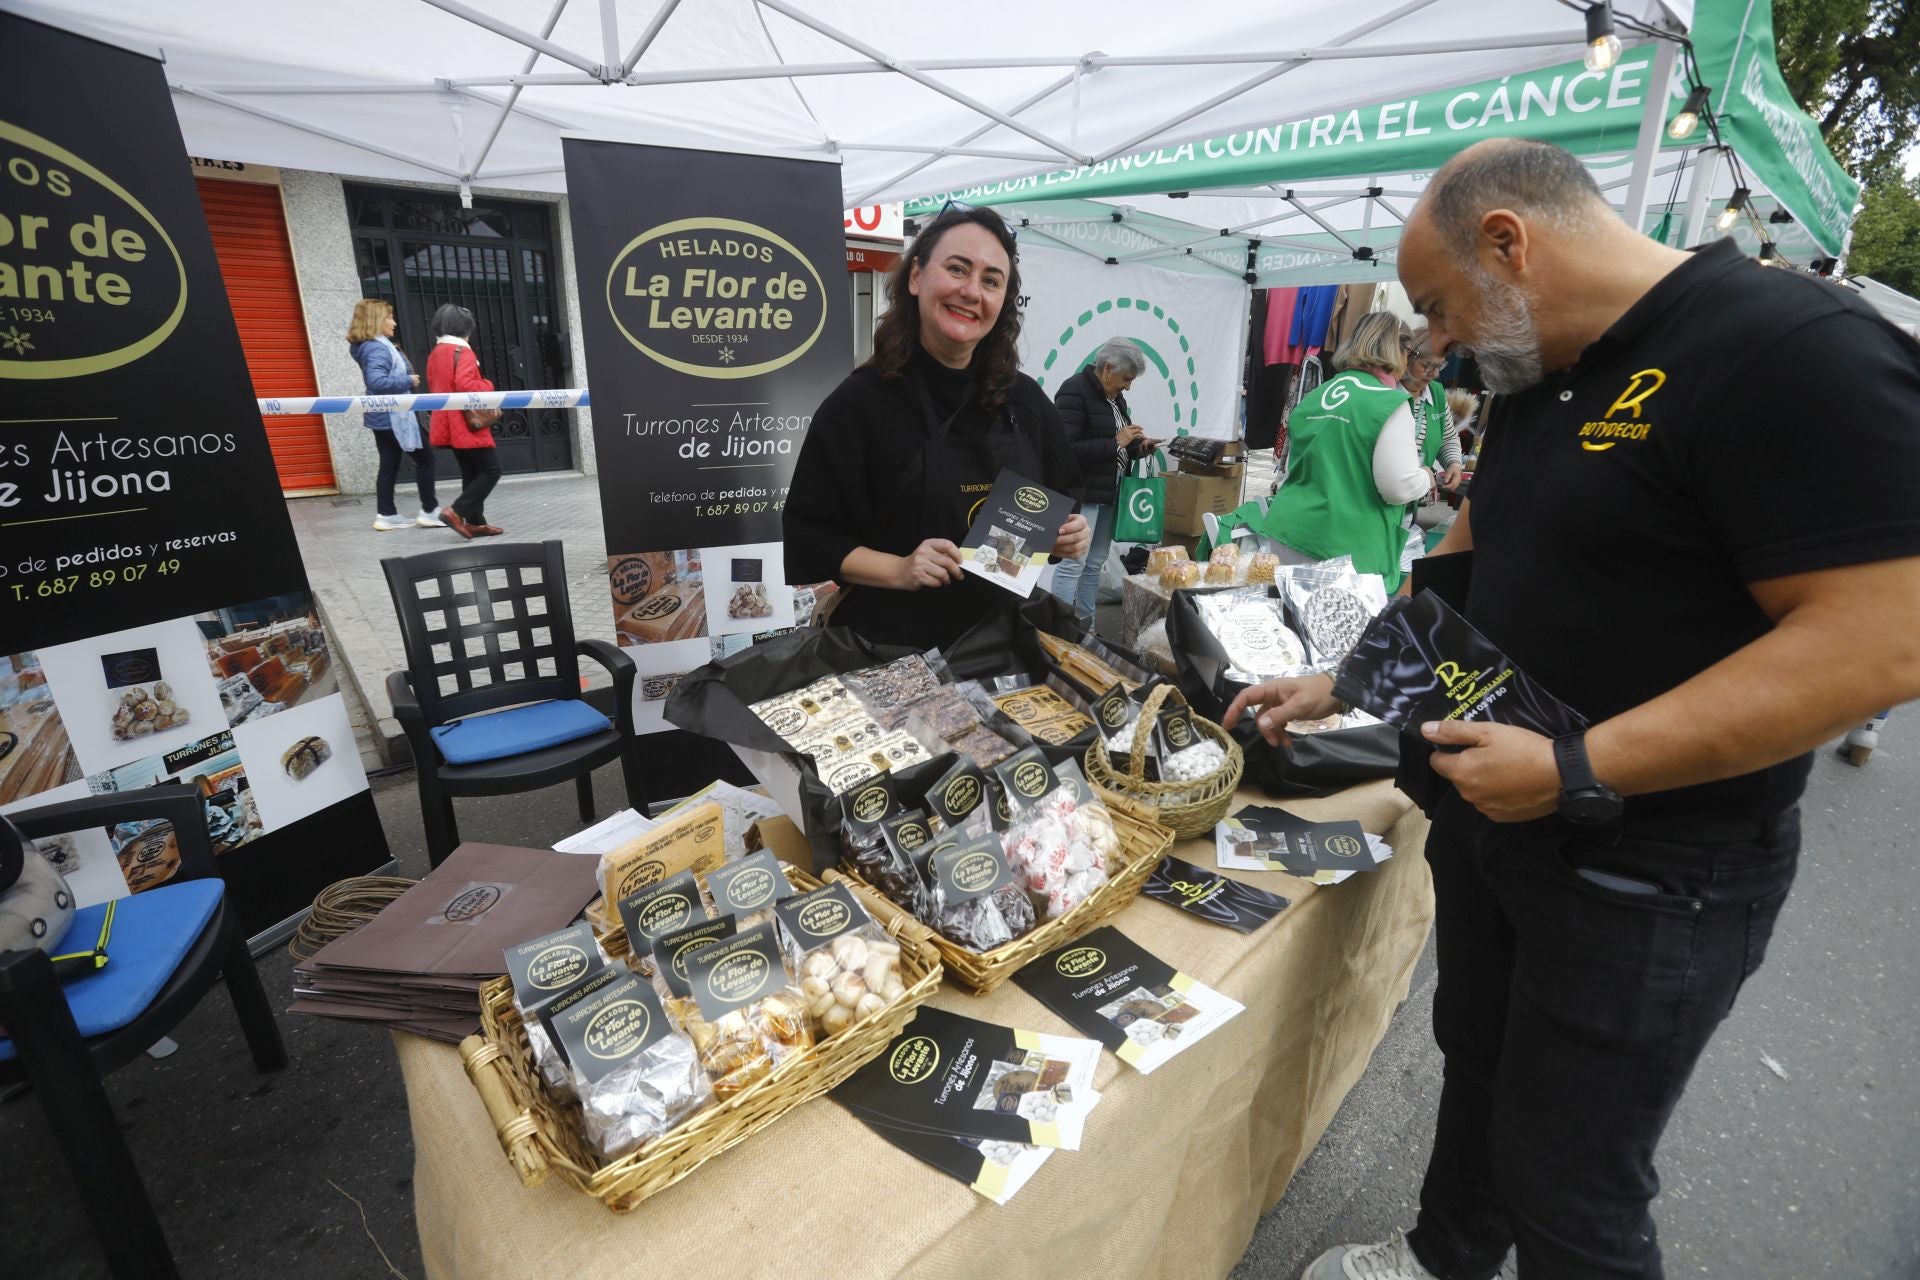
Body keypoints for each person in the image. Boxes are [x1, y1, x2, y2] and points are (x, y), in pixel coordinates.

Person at [1222, 138, 1920, 1280]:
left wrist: (1580, 764)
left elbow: (1888, 633)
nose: (1434, 343)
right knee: (1480, 1070)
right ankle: (1443, 1257)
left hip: (1650, 875)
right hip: (1504, 832)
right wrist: (1345, 677)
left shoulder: (1787, 348)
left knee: (1573, 1182)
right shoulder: (1543, 371)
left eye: (1439, 308)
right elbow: (1471, 548)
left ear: (1510, 242)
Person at [784, 205, 1087, 650]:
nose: (970, 291)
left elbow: (1054, 507)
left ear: (1002, 301)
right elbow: (811, 538)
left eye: (990, 280)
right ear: (915, 278)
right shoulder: (860, 403)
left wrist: (1065, 537)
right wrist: (901, 569)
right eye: (957, 269)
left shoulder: (1024, 402)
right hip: (888, 650)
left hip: (1000, 647)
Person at [1252, 310, 1430, 591]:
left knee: (1293, 624)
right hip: (1343, 547)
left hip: (1290, 530)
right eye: (1411, 353)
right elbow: (1398, 487)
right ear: (1398, 351)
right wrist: (1426, 476)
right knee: (1337, 631)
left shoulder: (1320, 394)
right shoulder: (1389, 403)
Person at [1049, 339, 1159, 617]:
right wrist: (1116, 442)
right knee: (1073, 563)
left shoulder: (1114, 397)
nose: (1128, 387)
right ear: (1108, 368)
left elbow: (1117, 444)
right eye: (1127, 379)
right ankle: (1059, 629)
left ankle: (1087, 624)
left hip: (1109, 491)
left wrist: (1138, 447)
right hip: (1083, 494)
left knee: (1095, 562)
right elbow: (1064, 450)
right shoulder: (1074, 391)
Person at [346, 299, 442, 532]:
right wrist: (407, 380)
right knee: (426, 460)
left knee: (389, 464)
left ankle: (386, 514)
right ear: (376, 321)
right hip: (394, 417)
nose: (394, 323)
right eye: (389, 317)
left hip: (381, 417)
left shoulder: (366, 345)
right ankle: (430, 511)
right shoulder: (378, 347)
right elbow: (376, 381)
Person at [424, 303, 501, 538]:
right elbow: (468, 386)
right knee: (491, 470)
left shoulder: (436, 353)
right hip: (467, 423)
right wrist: (488, 384)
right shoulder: (462, 351)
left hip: (447, 422)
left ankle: (476, 522)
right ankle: (456, 512)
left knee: (471, 471)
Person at [1403, 327, 1463, 536]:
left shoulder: (1436, 394)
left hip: (1413, 504)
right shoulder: (1388, 394)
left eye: (1439, 366)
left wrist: (1454, 463)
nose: (1435, 374)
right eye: (1427, 365)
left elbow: (1447, 437)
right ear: (1407, 358)